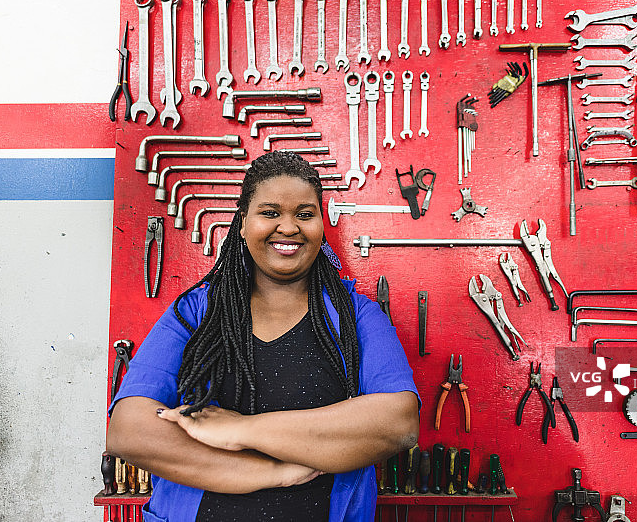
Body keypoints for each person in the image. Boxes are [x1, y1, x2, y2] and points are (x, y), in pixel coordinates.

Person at [106, 151, 420, 522]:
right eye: (270, 213)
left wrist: (240, 430)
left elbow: (397, 424)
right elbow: (130, 431)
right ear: (242, 223)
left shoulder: (357, 316)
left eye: (304, 215)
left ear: (321, 226)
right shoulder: (195, 313)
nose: (288, 228)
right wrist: (273, 474)